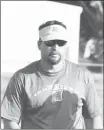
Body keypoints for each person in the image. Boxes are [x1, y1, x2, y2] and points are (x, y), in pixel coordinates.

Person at [1, 20, 103, 129]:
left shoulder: (83, 75)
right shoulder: (22, 78)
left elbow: (93, 118)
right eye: (50, 42)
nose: (55, 47)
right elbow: (10, 122)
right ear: (39, 44)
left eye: (61, 42)